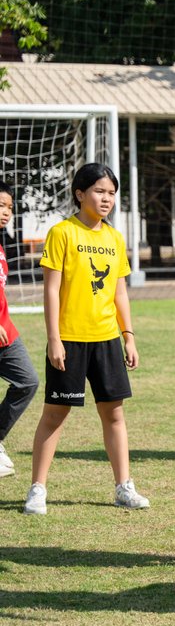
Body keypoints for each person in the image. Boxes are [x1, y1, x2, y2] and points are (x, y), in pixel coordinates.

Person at [23, 164, 145, 515]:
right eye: (99, 191)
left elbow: (120, 292)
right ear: (80, 193)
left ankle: (124, 487)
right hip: (70, 340)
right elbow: (51, 290)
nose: (106, 199)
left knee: (114, 415)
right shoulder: (62, 233)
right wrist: (54, 339)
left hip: (106, 339)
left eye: (111, 193)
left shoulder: (114, 238)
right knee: (55, 415)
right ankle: (37, 489)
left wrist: (129, 336)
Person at [0, 181, 39, 481]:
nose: (6, 212)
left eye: (10, 208)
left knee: (27, 381)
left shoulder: (1, 246)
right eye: (1, 205)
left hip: (6, 333)